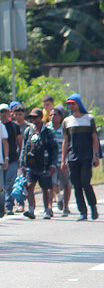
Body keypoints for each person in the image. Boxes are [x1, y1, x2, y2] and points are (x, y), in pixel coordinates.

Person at [60, 93, 100, 221]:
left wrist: (96, 155)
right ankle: (83, 212)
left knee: (85, 182)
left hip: (86, 156)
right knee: (76, 185)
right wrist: (63, 159)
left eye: (73, 103)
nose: (71, 106)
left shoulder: (89, 118)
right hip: (73, 157)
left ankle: (93, 207)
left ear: (78, 104)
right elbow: (66, 141)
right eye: (69, 104)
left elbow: (94, 138)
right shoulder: (67, 121)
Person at [19, 108, 58, 219]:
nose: (33, 119)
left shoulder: (48, 132)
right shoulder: (28, 131)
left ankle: (47, 209)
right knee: (29, 186)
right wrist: (22, 162)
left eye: (35, 117)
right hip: (31, 165)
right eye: (31, 117)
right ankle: (31, 209)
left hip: (45, 165)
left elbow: (54, 149)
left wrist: (53, 164)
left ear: (40, 118)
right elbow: (24, 148)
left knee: (45, 188)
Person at [50, 105, 72, 216]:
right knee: (53, 183)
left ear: (61, 117)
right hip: (52, 161)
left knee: (67, 184)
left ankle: (66, 206)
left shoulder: (65, 128)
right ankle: (58, 197)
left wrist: (66, 158)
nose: (53, 117)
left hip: (64, 159)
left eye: (55, 115)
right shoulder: (48, 129)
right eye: (51, 115)